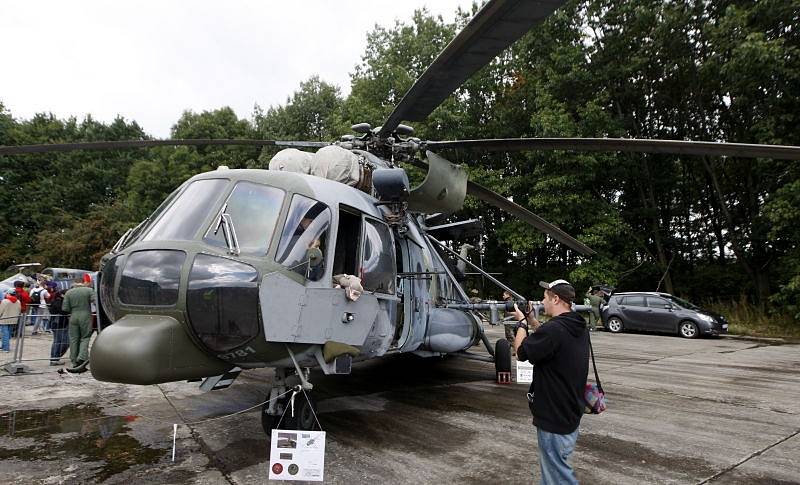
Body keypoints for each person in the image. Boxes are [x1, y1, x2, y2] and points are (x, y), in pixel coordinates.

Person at [512, 279, 589, 485]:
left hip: (553, 415)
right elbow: (550, 339)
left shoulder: (554, 330)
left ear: (555, 299)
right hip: (570, 410)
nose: (541, 301)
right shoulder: (577, 325)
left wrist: (521, 324)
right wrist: (533, 322)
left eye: (545, 298)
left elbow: (521, 353)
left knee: (557, 474)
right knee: (554, 470)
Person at [62, 277, 96, 372]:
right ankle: (81, 357)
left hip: (73, 316)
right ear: (83, 282)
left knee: (73, 339)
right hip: (85, 315)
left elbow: (65, 308)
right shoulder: (89, 290)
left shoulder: (69, 292)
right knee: (85, 337)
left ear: (74, 283)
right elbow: (95, 301)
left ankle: (73, 359)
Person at [47, 283, 69, 366]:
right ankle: (54, 358)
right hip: (58, 323)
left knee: (62, 341)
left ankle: (55, 358)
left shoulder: (58, 300)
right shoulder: (57, 301)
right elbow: (62, 311)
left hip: (60, 323)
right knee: (59, 342)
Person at [0, 288, 22, 353]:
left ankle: (6, 348)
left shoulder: (5, 301)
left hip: (4, 319)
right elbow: (19, 310)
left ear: (9, 294)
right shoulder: (18, 301)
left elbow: (0, 311)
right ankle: (4, 346)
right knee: (8, 334)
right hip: (13, 319)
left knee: (5, 334)